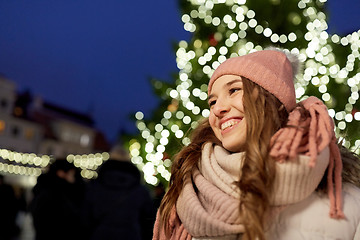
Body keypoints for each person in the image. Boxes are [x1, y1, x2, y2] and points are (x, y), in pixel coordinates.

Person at [153, 48, 360, 240]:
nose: (217, 109)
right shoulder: (190, 199)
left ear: (271, 98)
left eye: (233, 90)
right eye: (212, 102)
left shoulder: (347, 201)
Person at [81, 143, 156, 240]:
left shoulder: (96, 186)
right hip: (131, 235)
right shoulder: (140, 190)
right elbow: (149, 220)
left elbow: (85, 218)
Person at [29, 158, 85, 240]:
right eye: (71, 174)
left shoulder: (49, 188)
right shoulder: (54, 191)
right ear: (61, 173)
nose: (72, 177)